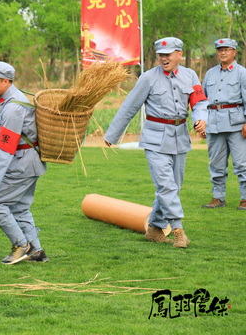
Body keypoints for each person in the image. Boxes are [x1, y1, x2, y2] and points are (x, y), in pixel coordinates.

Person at [104, 37, 208, 248]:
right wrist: (112, 135)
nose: (164, 58)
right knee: (166, 186)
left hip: (180, 138)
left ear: (179, 54)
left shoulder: (190, 75)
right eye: (161, 55)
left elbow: (199, 101)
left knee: (174, 187)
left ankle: (155, 228)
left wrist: (201, 118)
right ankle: (178, 230)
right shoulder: (148, 78)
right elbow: (129, 107)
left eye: (168, 54)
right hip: (155, 139)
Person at [0, 61, 48, 265]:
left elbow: (4, 148)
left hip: (21, 164)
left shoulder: (13, 108)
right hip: (28, 163)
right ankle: (36, 250)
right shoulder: (9, 102)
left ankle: (21, 245)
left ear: (6, 81)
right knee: (19, 208)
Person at [201, 38, 246, 210]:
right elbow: (203, 100)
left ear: (234, 52)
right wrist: (202, 120)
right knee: (216, 163)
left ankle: (245, 198)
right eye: (220, 50)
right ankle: (218, 197)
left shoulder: (242, 73)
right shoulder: (210, 73)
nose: (223, 52)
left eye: (227, 49)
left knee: (242, 164)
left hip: (236, 123)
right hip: (214, 123)